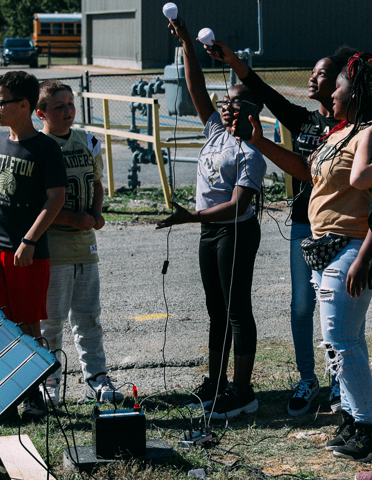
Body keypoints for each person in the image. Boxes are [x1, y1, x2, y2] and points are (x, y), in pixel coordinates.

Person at [207, 41, 357, 416]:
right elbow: (262, 89)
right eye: (314, 71)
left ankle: (340, 382)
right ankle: (308, 379)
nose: (313, 77)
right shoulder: (305, 120)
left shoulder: (350, 127)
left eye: (322, 74)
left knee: (334, 309)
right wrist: (231, 60)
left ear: (339, 82)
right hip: (304, 225)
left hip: (338, 227)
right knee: (301, 306)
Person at [242, 52, 372, 462]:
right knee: (344, 343)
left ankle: (367, 425)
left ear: (358, 92)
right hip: (324, 249)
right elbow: (304, 170)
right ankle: (352, 417)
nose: (332, 92)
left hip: (350, 247)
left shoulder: (369, 132)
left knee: (341, 344)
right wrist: (258, 141)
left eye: (339, 86)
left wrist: (364, 258)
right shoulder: (341, 133)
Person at [156, 16, 266, 419]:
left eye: (235, 102)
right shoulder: (216, 132)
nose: (225, 105)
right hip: (208, 231)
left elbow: (239, 205)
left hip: (234, 233)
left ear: (251, 110)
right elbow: (196, 86)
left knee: (237, 309)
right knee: (215, 310)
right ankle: (216, 382)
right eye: (226, 102)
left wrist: (192, 216)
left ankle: (242, 390)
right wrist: (186, 42)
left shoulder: (251, 153)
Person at [0, 71, 68, 422]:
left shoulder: (45, 148)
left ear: (23, 106)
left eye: (1, 102)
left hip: (27, 251)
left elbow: (55, 198)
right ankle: (5, 396)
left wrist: (30, 240)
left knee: (27, 325)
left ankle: (33, 394)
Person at [36, 80, 123, 406]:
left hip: (85, 245)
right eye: (59, 107)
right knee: (52, 321)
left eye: (70, 104)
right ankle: (50, 382)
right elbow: (38, 204)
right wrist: (72, 218)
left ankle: (96, 378)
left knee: (88, 317)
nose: (68, 111)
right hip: (54, 246)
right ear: (41, 113)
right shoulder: (39, 146)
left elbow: (97, 183)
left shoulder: (87, 140)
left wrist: (97, 213)